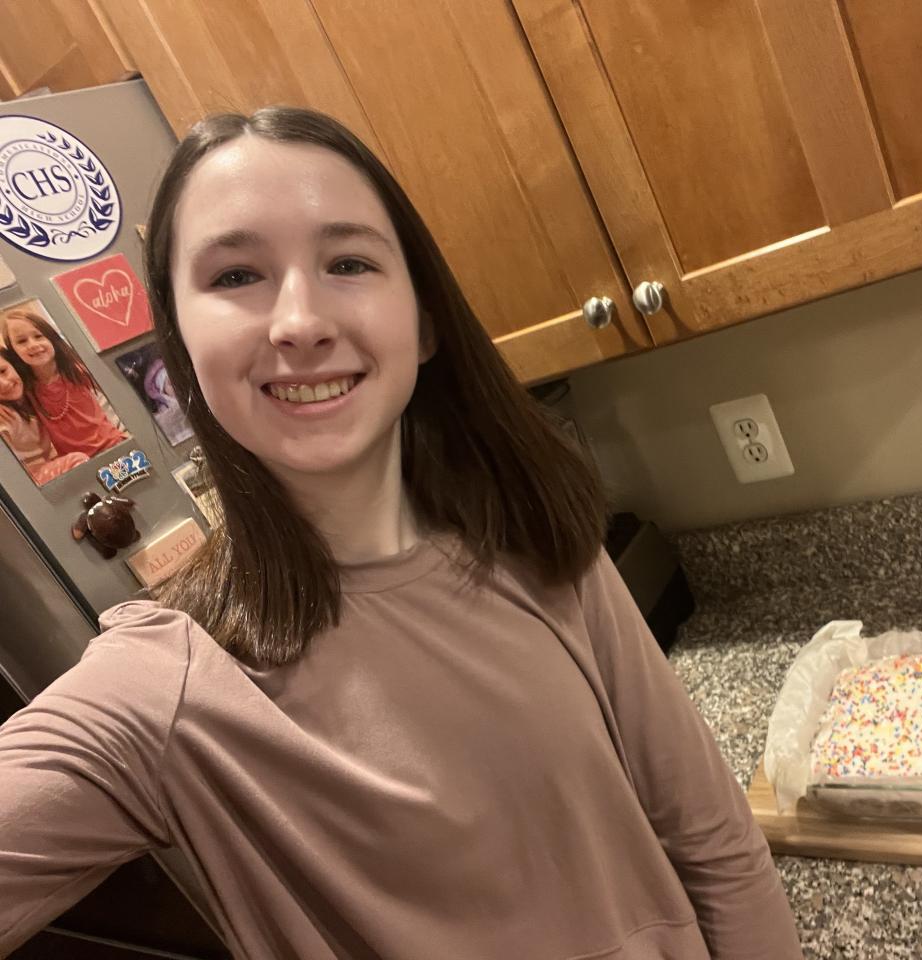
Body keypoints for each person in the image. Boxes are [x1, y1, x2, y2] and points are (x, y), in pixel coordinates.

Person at [0, 107, 803, 959]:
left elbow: (714, 844)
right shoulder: (167, 690)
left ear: (423, 322)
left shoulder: (531, 539)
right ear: (182, 346)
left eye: (348, 263)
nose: (300, 321)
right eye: (236, 275)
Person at [0, 306, 129, 458]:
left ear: (51, 338)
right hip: (83, 463)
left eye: (38, 336)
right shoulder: (26, 389)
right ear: (13, 351)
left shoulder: (76, 371)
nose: (33, 345)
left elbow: (119, 391)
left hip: (114, 444)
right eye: (22, 341)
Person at [0, 348, 89, 484]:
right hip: (31, 480)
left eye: (3, 371)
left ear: (13, 365)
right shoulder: (3, 415)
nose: (4, 384)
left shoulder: (33, 394)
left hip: (53, 463)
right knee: (77, 460)